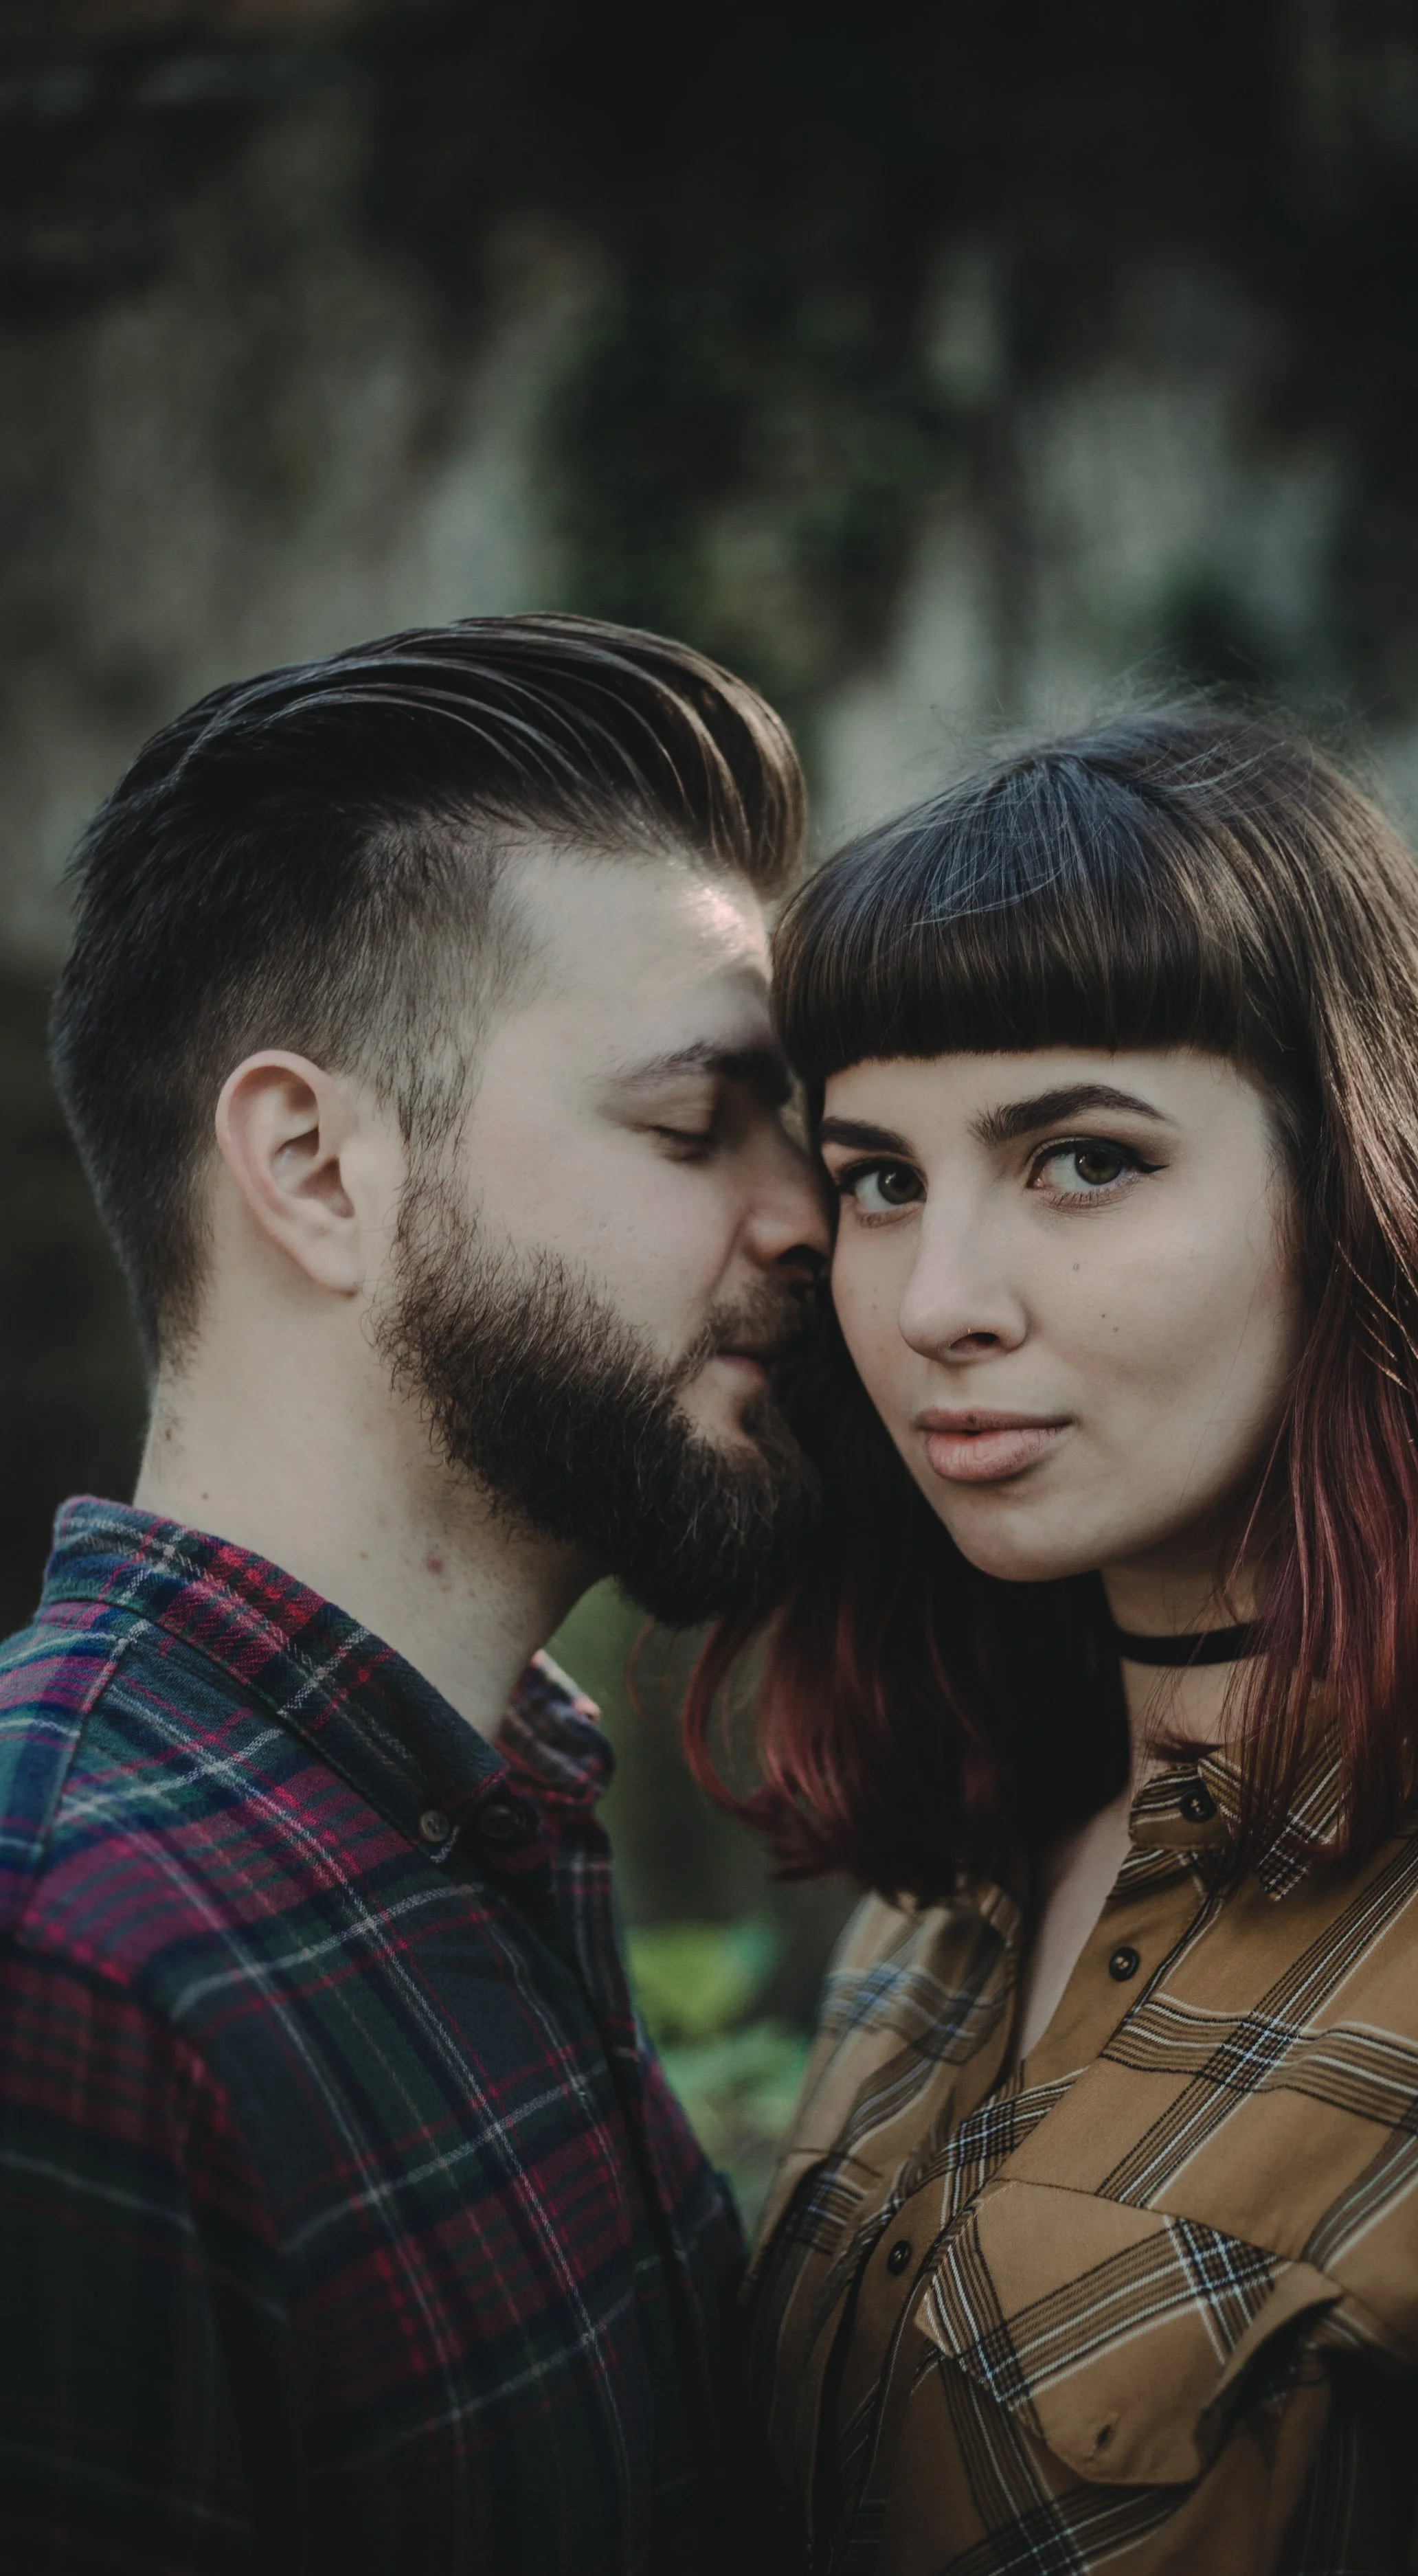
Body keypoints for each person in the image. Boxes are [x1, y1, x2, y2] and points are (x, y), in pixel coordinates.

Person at [688, 710, 1418, 2574]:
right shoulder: (952, 1883)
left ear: (1368, 1192)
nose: (936, 1304)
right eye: (880, 1178)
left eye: (1082, 1159)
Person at [0, 614, 829, 2574]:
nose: (807, 1216)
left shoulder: (480, 1808)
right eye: (693, 1124)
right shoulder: (63, 1951)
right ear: (314, 1166)